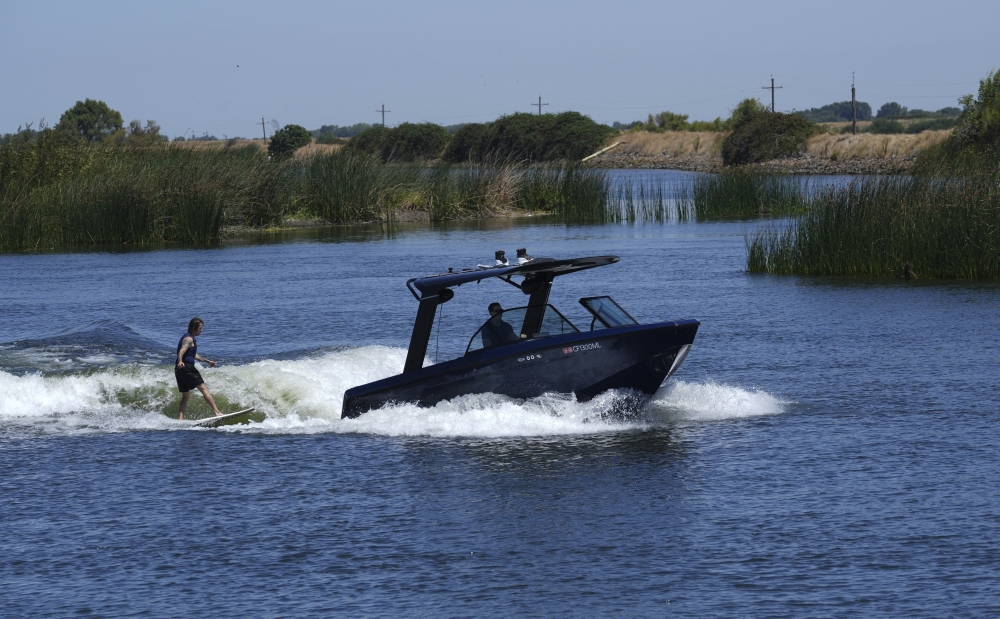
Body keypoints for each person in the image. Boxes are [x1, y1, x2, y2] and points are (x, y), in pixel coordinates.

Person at [175, 317, 222, 419]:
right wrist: (180, 361)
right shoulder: (188, 339)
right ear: (193, 328)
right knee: (204, 388)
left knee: (185, 396)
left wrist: (208, 361)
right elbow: (182, 351)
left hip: (179, 369)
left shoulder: (188, 338)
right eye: (200, 328)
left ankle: (180, 419)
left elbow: (194, 355)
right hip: (186, 367)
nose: (202, 330)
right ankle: (217, 412)